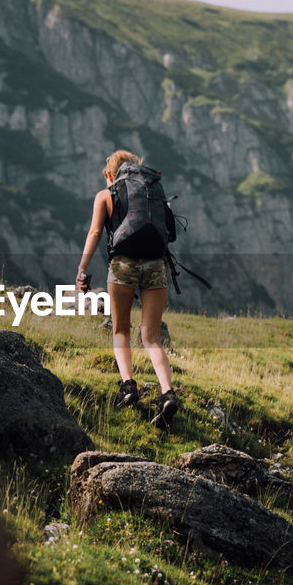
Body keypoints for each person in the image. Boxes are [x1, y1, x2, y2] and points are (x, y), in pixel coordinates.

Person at [76, 150, 181, 429]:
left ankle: (128, 386)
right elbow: (165, 240)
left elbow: (95, 233)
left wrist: (82, 270)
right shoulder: (153, 195)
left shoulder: (105, 195)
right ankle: (167, 393)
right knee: (152, 338)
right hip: (156, 265)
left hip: (122, 265)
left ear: (111, 174)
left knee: (121, 329)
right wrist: (164, 276)